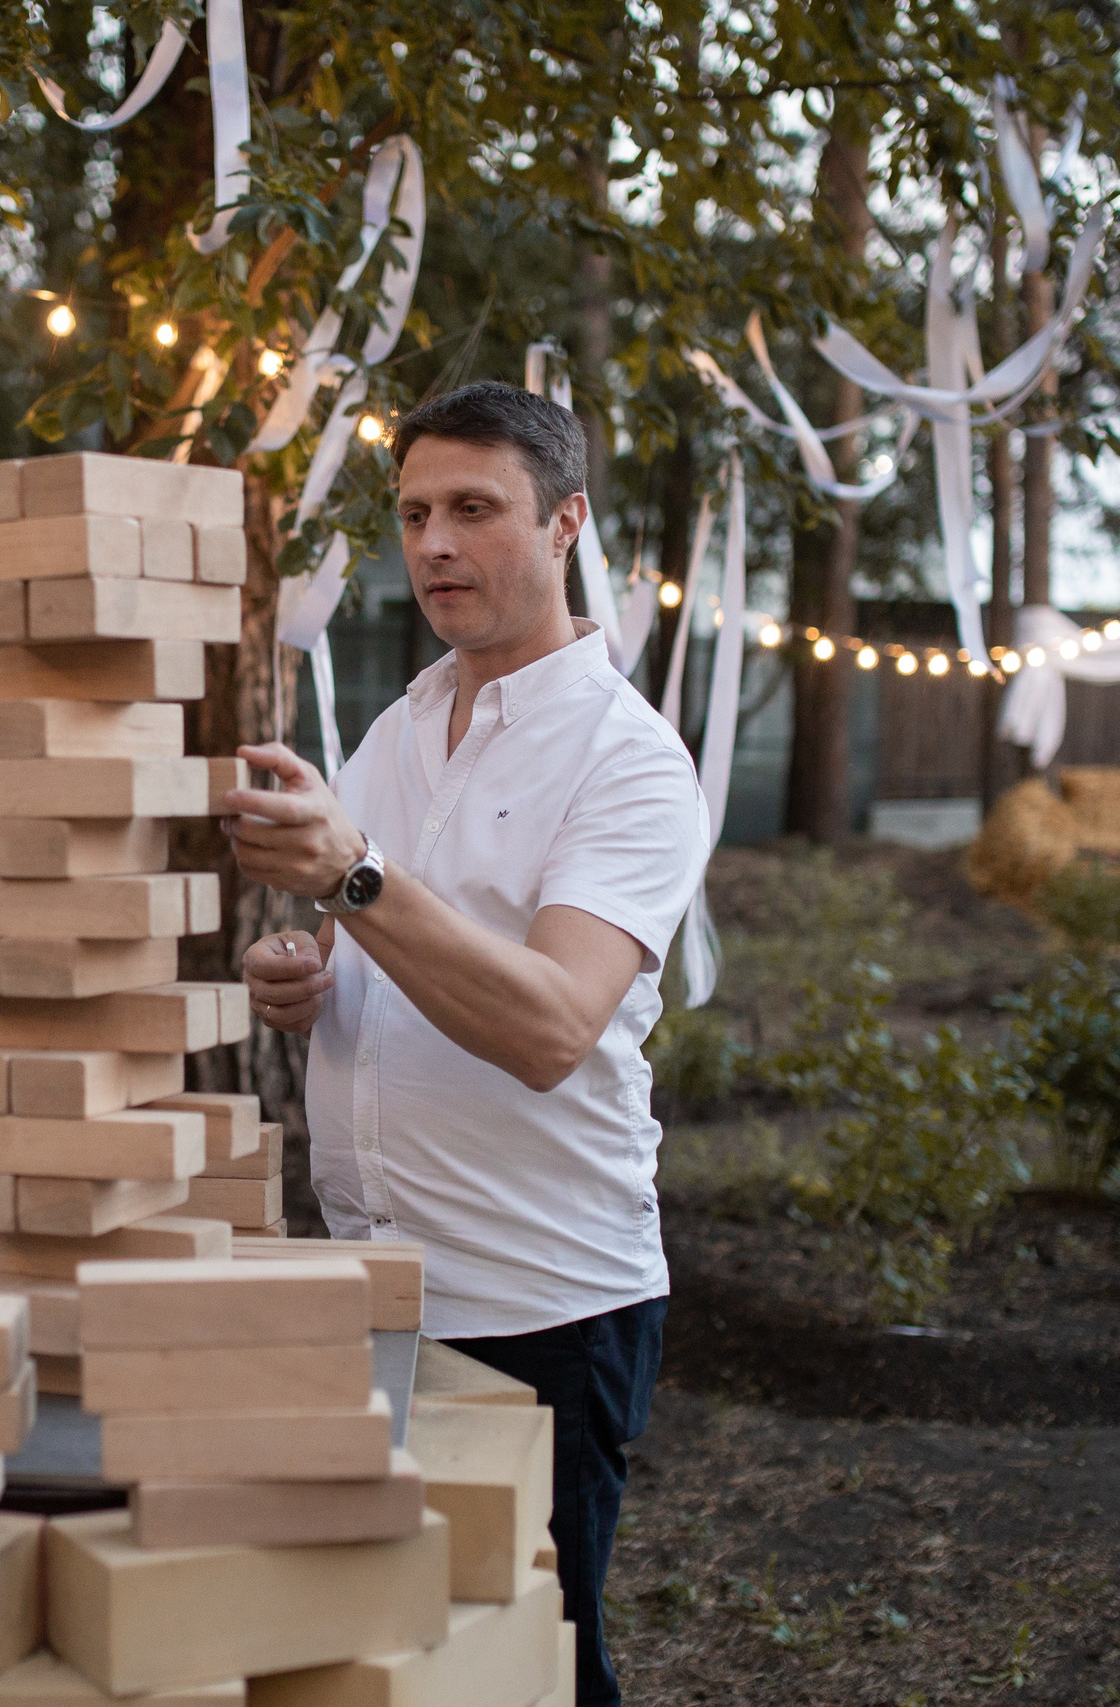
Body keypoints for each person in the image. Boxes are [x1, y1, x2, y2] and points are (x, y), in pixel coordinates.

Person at [223, 382, 709, 1707]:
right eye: (416, 512)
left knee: (530, 1665)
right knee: (393, 1658)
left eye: (474, 509)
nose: (433, 542)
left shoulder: (629, 760)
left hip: (540, 1302)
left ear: (565, 524)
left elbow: (551, 1023)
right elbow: (384, 933)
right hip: (374, 1282)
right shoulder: (397, 725)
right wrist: (310, 975)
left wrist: (357, 878)